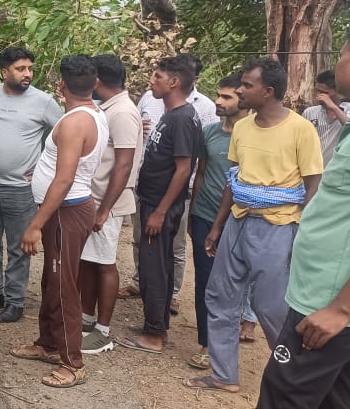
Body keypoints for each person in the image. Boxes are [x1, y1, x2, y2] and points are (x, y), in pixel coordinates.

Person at [256, 20, 350, 408]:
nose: (339, 61)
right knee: (336, 401)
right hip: (337, 302)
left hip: (331, 306)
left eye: (343, 53)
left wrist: (340, 309)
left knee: (282, 399)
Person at [185, 58, 323, 394]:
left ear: (268, 91)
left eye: (247, 85)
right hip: (238, 221)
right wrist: (218, 226)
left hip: (277, 227)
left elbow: (312, 186)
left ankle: (293, 379)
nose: (241, 90)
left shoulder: (300, 129)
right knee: (220, 297)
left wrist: (300, 235)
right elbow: (233, 182)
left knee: (272, 307)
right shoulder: (243, 127)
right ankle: (223, 375)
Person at [9, 55, 108, 388]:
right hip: (67, 208)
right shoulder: (95, 113)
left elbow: (64, 180)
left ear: (61, 85)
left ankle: (72, 363)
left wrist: (35, 224)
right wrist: (39, 172)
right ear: (94, 84)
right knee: (52, 281)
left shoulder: (72, 122)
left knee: (65, 286)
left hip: (66, 211)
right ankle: (48, 344)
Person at [0, 46, 63, 323]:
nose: (27, 74)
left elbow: (65, 135)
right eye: (21, 69)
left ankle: (15, 300)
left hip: (21, 190)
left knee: (20, 247)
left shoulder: (43, 102)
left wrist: (45, 168)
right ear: (4, 72)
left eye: (30, 68)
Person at [115, 55, 202, 354]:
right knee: (157, 267)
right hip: (153, 201)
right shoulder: (172, 113)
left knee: (154, 269)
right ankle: (156, 326)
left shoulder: (181, 119)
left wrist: (161, 211)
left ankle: (154, 336)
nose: (152, 80)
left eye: (157, 76)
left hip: (160, 206)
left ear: (174, 82)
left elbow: (183, 169)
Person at [183, 72, 252, 370]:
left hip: (242, 220)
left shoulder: (253, 134)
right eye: (218, 95)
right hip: (204, 216)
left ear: (243, 100)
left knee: (234, 283)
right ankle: (206, 343)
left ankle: (229, 341)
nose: (219, 102)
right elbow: (200, 173)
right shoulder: (209, 132)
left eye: (227, 97)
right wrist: (194, 211)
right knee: (205, 281)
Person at [79, 54, 143, 354]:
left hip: (108, 202)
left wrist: (104, 209)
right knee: (89, 262)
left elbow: (124, 164)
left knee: (104, 263)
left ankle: (103, 332)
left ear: (97, 81)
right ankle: (87, 319)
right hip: (95, 200)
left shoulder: (122, 112)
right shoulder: (107, 109)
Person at [302, 69, 350, 165]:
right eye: (317, 91)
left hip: (339, 168)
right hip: (314, 168)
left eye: (324, 93)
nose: (319, 96)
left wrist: (334, 107)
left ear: (337, 91)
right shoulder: (309, 113)